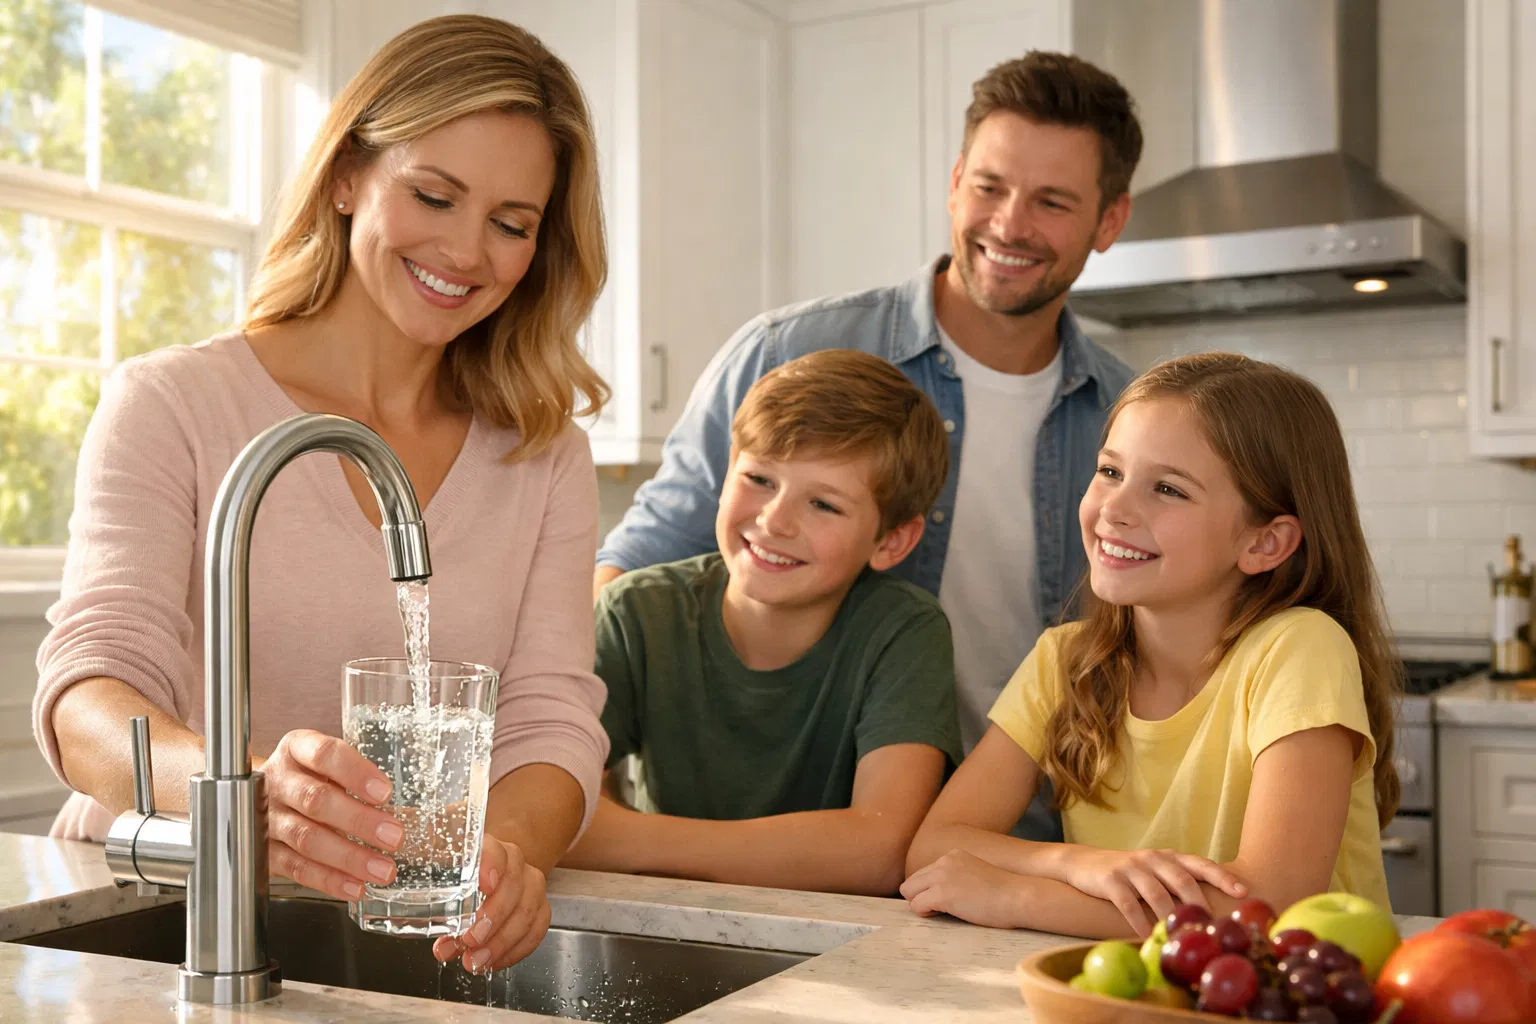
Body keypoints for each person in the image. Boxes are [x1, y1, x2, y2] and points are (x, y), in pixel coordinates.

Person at [33, 15, 609, 973]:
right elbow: (89, 692)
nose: (467, 252)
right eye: (434, 195)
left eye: (512, 224)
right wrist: (240, 790)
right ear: (348, 175)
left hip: (401, 932)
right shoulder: (175, 402)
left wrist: (505, 854)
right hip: (154, 913)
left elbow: (551, 719)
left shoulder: (542, 455)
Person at [593, 52, 1142, 842]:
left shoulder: (1128, 421)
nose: (1010, 224)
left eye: (1052, 201)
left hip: (1028, 844)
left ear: (1109, 221)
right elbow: (642, 561)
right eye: (989, 186)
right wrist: (578, 788)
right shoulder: (785, 351)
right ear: (956, 182)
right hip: (805, 839)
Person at [900, 353, 1400, 940]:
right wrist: (1080, 864)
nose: (1114, 509)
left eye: (1168, 489)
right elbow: (932, 848)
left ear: (1266, 543)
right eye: (1109, 472)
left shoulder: (1299, 648)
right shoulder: (1063, 662)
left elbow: (1267, 906)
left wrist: (1017, 895)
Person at [561, 350, 963, 895]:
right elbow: (552, 804)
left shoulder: (905, 633)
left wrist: (625, 838)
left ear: (892, 541)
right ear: (725, 472)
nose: (774, 521)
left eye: (823, 504)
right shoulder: (637, 612)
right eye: (759, 478)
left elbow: (881, 852)